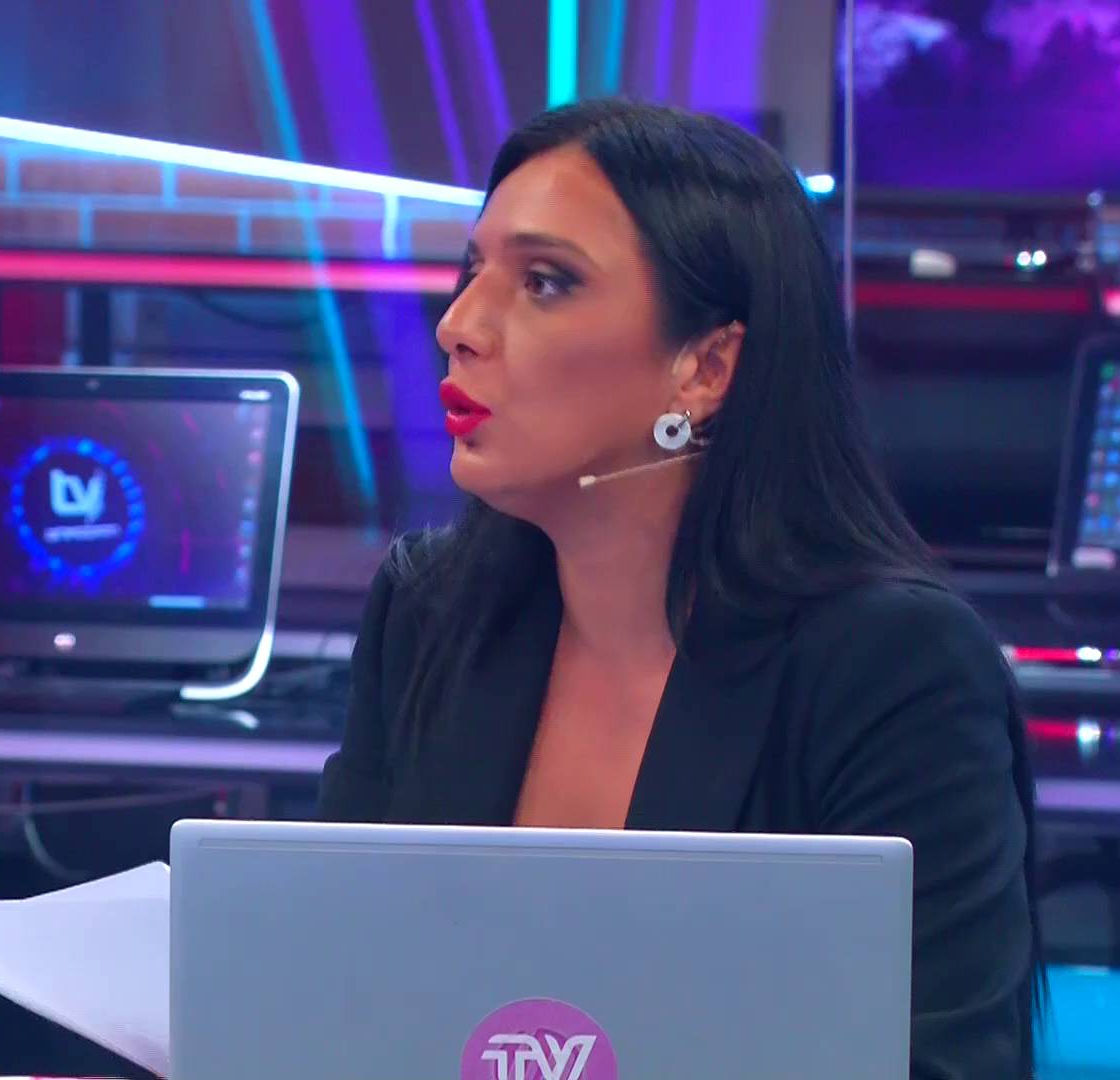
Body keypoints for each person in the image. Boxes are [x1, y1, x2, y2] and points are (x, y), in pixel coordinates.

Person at [317, 98, 1043, 1078]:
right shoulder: (428, 611)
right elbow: (339, 992)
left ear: (705, 367)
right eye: (471, 271)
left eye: (544, 282)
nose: (459, 326)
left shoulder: (894, 669)